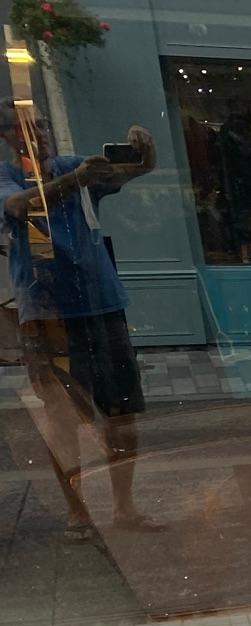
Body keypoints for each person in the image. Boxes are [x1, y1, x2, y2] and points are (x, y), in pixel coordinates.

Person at [0, 111, 155, 531]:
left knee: (121, 415)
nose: (40, 136)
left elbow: (135, 169)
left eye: (43, 127)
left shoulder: (72, 166)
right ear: (7, 137)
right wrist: (77, 181)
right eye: (27, 129)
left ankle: (123, 507)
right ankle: (78, 511)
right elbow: (18, 206)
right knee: (61, 417)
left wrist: (145, 148)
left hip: (101, 306)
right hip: (48, 316)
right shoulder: (7, 177)